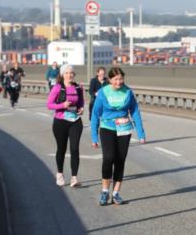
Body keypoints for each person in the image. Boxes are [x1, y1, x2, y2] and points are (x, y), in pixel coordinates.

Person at [90, 67, 145, 205]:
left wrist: (141, 133)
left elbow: (135, 112)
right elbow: (95, 115)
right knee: (108, 158)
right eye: (115, 79)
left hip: (124, 129)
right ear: (110, 80)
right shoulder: (103, 93)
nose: (119, 82)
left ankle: (116, 193)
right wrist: (94, 137)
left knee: (120, 160)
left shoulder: (128, 92)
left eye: (121, 79)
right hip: (107, 128)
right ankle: (104, 191)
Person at [47, 64, 85, 187]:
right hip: (60, 121)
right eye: (67, 73)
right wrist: (62, 105)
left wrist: (81, 109)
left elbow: (80, 103)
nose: (69, 75)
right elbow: (49, 105)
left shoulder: (78, 88)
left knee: (74, 149)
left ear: (74, 75)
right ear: (62, 75)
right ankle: (59, 174)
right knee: (61, 149)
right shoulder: (58, 87)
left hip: (75, 121)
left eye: (71, 73)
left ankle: (74, 178)